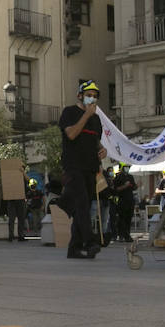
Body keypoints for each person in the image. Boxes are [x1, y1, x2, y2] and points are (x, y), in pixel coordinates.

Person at [57, 80, 106, 259]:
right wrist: (86, 115)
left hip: (90, 167)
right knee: (82, 203)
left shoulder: (96, 119)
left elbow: (95, 140)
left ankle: (74, 248)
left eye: (94, 96)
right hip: (73, 165)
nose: (92, 99)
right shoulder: (70, 113)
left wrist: (102, 150)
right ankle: (90, 241)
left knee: (80, 207)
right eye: (88, 95)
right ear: (80, 95)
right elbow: (71, 134)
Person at [110, 163, 137, 242]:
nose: (127, 168)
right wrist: (124, 186)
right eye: (126, 167)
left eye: (128, 167)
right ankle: (122, 235)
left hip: (130, 200)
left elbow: (133, 187)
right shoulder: (118, 177)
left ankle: (127, 234)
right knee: (122, 218)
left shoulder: (130, 177)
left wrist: (135, 186)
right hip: (122, 200)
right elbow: (115, 190)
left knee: (129, 218)